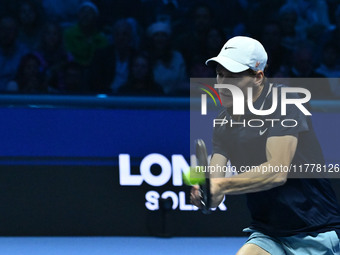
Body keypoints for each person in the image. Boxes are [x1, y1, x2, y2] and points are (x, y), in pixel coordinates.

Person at [190, 36, 340, 254]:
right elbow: (215, 186)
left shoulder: (285, 102)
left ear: (258, 77)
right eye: (220, 75)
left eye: (232, 77)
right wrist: (204, 191)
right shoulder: (224, 122)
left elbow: (276, 171)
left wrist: (220, 185)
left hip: (316, 232)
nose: (222, 85)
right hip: (269, 234)